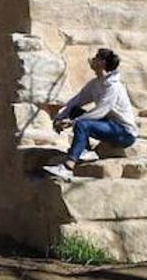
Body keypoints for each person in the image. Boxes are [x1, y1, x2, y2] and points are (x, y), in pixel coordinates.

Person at [41, 47, 137, 181]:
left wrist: (73, 122)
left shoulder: (113, 87)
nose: (92, 60)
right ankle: (84, 150)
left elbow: (101, 111)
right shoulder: (95, 83)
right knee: (75, 112)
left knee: (82, 124)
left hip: (123, 133)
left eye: (96, 58)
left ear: (102, 63)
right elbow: (76, 101)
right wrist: (61, 116)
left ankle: (68, 167)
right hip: (109, 124)